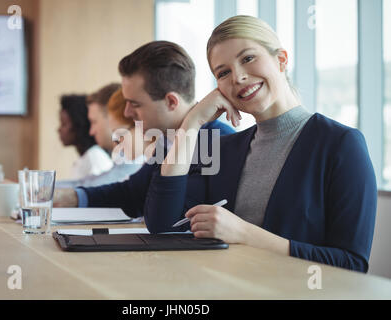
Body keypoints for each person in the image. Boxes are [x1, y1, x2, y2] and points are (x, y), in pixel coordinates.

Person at [143, 15, 377, 272]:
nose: (238, 77)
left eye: (248, 58)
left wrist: (244, 233)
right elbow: (162, 226)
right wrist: (192, 122)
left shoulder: (341, 144)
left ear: (281, 60)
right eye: (224, 73)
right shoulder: (225, 148)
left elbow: (352, 265)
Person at [53, 41, 236, 217]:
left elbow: (164, 220)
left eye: (135, 104)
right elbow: (132, 193)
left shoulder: (219, 143)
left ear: (171, 101)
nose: (127, 112)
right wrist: (72, 197)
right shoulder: (166, 140)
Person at [57, 94, 113, 180]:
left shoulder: (95, 157)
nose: (58, 129)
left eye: (64, 124)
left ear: (78, 125)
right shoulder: (84, 159)